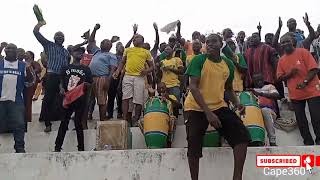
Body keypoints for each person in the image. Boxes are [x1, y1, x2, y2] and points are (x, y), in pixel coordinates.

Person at [184, 34, 250, 180]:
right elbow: (193, 88)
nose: (209, 44)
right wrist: (208, 113)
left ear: (221, 44)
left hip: (219, 105)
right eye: (207, 42)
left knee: (242, 135)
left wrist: (238, 103)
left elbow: (228, 89)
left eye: (214, 41)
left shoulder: (228, 64)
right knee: (194, 143)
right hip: (195, 106)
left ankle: (237, 177)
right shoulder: (198, 60)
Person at [277, 34, 320, 145]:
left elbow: (314, 69)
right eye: (282, 42)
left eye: (287, 41)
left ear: (292, 42)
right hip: (295, 94)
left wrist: (305, 82)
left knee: (316, 116)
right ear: (281, 45)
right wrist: (289, 74)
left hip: (312, 91)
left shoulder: (303, 52)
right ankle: (308, 142)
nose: (285, 44)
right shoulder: (281, 60)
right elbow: (279, 77)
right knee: (301, 120)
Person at [33, 21, 70, 132]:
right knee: (48, 99)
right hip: (52, 75)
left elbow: (67, 64)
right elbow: (36, 32)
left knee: (63, 100)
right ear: (54, 38)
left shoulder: (65, 52)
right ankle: (47, 123)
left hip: (63, 77)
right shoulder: (49, 45)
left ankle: (63, 123)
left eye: (62, 36)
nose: (60, 37)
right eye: (58, 36)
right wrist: (39, 24)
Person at [55, 46, 93, 152]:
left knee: (78, 123)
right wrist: (61, 88)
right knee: (64, 123)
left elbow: (90, 84)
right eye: (77, 51)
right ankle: (57, 147)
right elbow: (61, 81)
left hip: (80, 99)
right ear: (72, 53)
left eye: (82, 52)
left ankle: (81, 148)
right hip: (67, 98)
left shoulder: (86, 69)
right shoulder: (65, 67)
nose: (79, 53)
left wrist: (85, 90)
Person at [0, 43, 35, 153]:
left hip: (17, 101)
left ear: (17, 52)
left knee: (19, 124)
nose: (10, 50)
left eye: (13, 49)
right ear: (5, 50)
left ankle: (19, 147)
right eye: (8, 48)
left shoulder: (23, 65)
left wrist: (29, 69)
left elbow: (30, 82)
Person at [113, 34, 154, 126]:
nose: (134, 39)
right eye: (134, 38)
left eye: (137, 38)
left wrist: (146, 71)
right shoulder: (128, 50)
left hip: (140, 78)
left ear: (142, 40)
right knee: (125, 98)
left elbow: (152, 67)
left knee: (138, 100)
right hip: (127, 76)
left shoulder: (146, 52)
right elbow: (122, 62)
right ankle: (125, 120)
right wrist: (118, 71)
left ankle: (136, 119)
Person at [88, 24, 117, 121]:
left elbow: (112, 69)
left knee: (102, 101)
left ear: (110, 46)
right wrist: (95, 29)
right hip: (91, 78)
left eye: (108, 42)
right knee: (89, 100)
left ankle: (102, 121)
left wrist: (107, 81)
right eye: (104, 42)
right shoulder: (97, 51)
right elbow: (91, 41)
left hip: (102, 78)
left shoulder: (111, 55)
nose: (106, 43)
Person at [250, 74, 280, 146]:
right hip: (255, 114)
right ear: (253, 81)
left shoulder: (269, 87)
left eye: (261, 80)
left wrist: (260, 93)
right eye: (257, 80)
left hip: (270, 112)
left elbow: (276, 96)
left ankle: (272, 140)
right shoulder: (251, 90)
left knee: (264, 110)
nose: (259, 82)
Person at [107, 42, 124, 119]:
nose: (122, 48)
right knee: (111, 96)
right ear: (116, 48)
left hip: (122, 76)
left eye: (122, 47)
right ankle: (109, 113)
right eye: (120, 47)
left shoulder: (125, 57)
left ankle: (120, 113)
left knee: (121, 96)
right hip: (113, 77)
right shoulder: (112, 56)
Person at [24, 51, 41, 123]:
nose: (25, 55)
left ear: (31, 56)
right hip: (26, 83)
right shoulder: (23, 63)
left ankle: (28, 117)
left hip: (32, 83)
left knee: (28, 99)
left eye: (27, 54)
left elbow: (38, 69)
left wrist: (30, 72)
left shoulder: (33, 62)